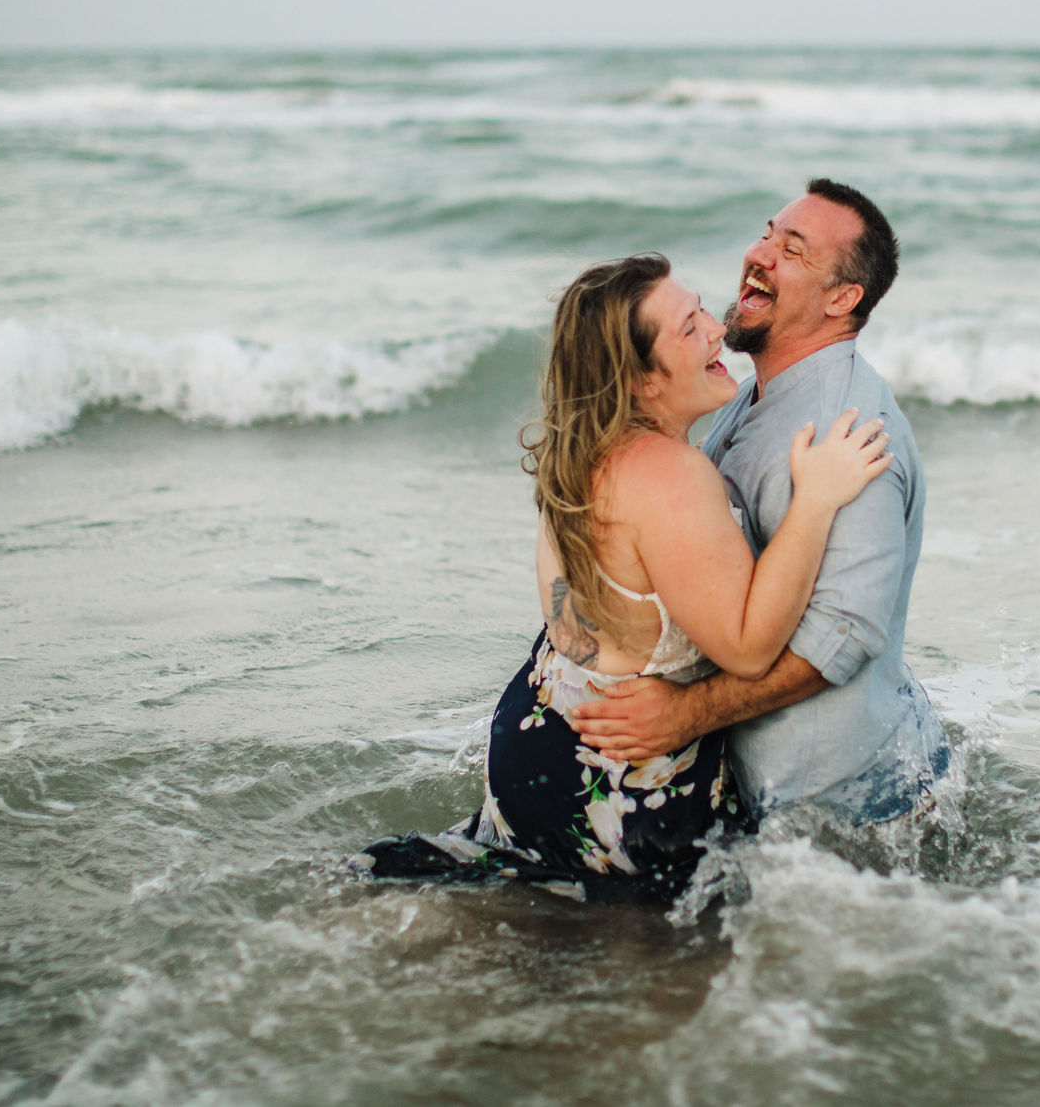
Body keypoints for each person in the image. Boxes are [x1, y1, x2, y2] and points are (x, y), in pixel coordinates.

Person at [351, 252, 891, 902]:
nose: (717, 330)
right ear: (642, 381)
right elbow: (749, 648)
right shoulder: (669, 476)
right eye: (690, 328)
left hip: (545, 728)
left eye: (700, 311)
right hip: (611, 776)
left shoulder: (581, 452)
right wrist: (816, 501)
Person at [571, 179, 949, 823]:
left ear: (842, 298)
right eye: (768, 231)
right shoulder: (746, 393)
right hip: (755, 792)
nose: (761, 252)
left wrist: (687, 714)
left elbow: (845, 632)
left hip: (831, 804)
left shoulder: (847, 433)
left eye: (793, 250)